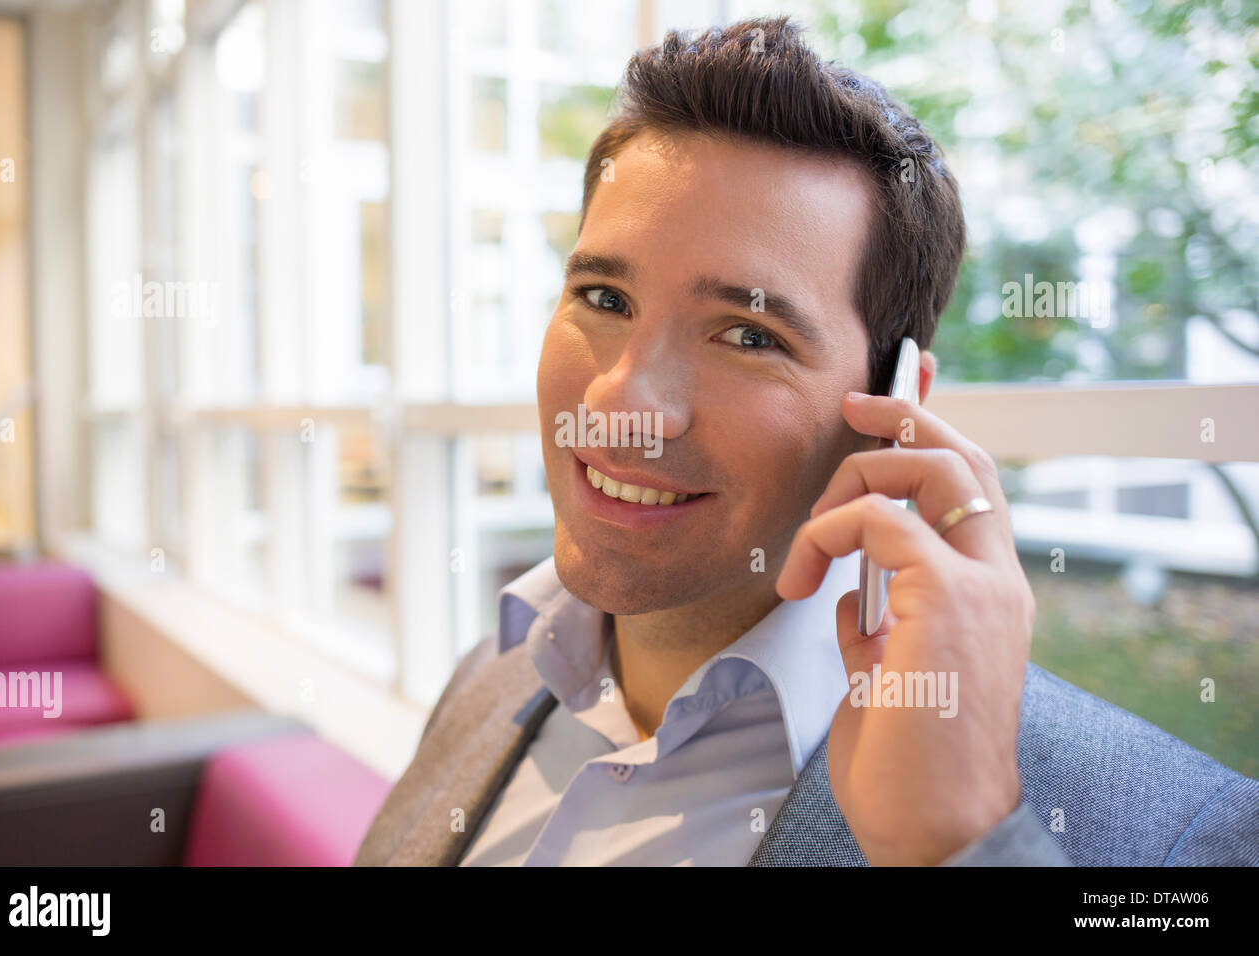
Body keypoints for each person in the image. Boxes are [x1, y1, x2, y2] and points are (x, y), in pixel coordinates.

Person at [356, 15, 1258, 866]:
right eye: (604, 298)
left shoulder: (1176, 835)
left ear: (894, 404)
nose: (620, 397)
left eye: (750, 336)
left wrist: (953, 847)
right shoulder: (497, 671)